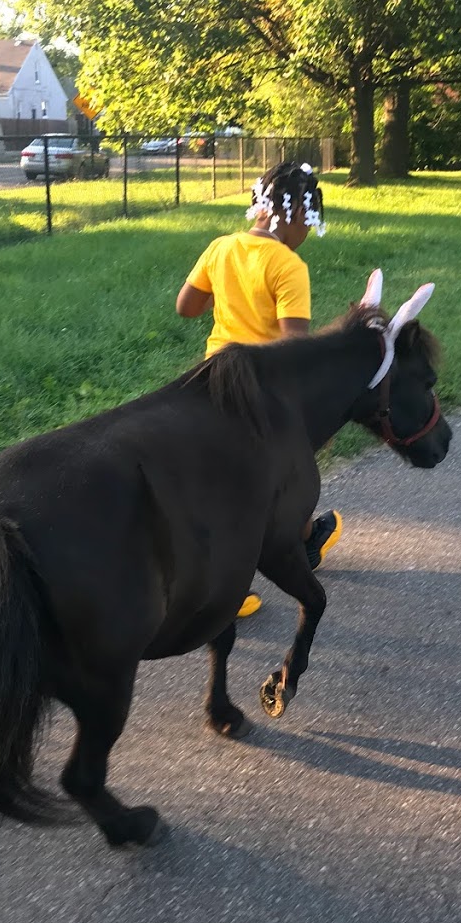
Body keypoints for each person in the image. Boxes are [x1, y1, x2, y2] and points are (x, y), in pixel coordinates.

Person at [175, 161, 343, 616]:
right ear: (291, 215)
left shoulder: (220, 247)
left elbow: (186, 306)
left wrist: (225, 289)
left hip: (211, 381)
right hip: (259, 392)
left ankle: (306, 539)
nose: (308, 231)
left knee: (232, 480)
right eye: (310, 221)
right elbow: (294, 345)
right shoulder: (289, 266)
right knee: (273, 481)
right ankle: (222, 593)